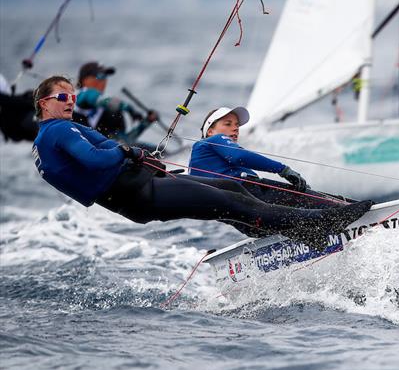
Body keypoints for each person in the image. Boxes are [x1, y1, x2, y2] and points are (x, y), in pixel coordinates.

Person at [31, 75, 373, 248]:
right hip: (138, 193)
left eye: (73, 97)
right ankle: (317, 225)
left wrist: (133, 155)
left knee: (229, 187)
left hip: (142, 187)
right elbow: (93, 161)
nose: (70, 102)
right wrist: (126, 151)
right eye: (63, 96)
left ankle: (302, 233)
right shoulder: (57, 131)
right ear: (44, 103)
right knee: (228, 200)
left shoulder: (51, 137)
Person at [189, 106, 341, 210]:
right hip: (250, 194)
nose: (235, 128)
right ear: (209, 131)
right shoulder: (212, 140)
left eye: (237, 125)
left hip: (240, 208)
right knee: (326, 203)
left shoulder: (205, 158)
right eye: (228, 124)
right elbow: (239, 156)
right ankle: (350, 212)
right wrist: (283, 169)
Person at [72, 61, 158, 146]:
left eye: (105, 77)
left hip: (109, 151)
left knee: (160, 151)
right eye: (100, 76)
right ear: (85, 80)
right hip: (89, 151)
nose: (103, 81)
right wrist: (129, 108)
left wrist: (146, 122)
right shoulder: (83, 95)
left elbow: (126, 142)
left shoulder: (108, 111)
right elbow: (99, 99)